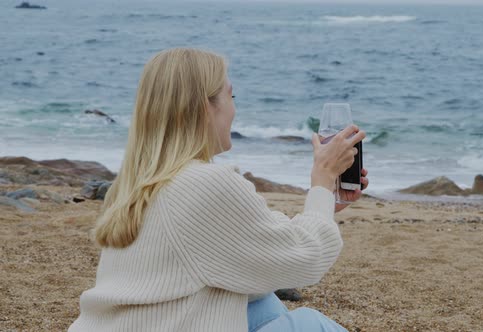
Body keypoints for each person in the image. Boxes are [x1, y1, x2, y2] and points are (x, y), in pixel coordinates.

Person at [69, 48, 368, 332]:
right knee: (310, 324)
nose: (235, 108)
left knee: (264, 303)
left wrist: (325, 200)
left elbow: (249, 252)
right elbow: (307, 259)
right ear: (204, 108)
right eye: (231, 96)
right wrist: (323, 180)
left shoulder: (133, 184)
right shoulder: (205, 184)